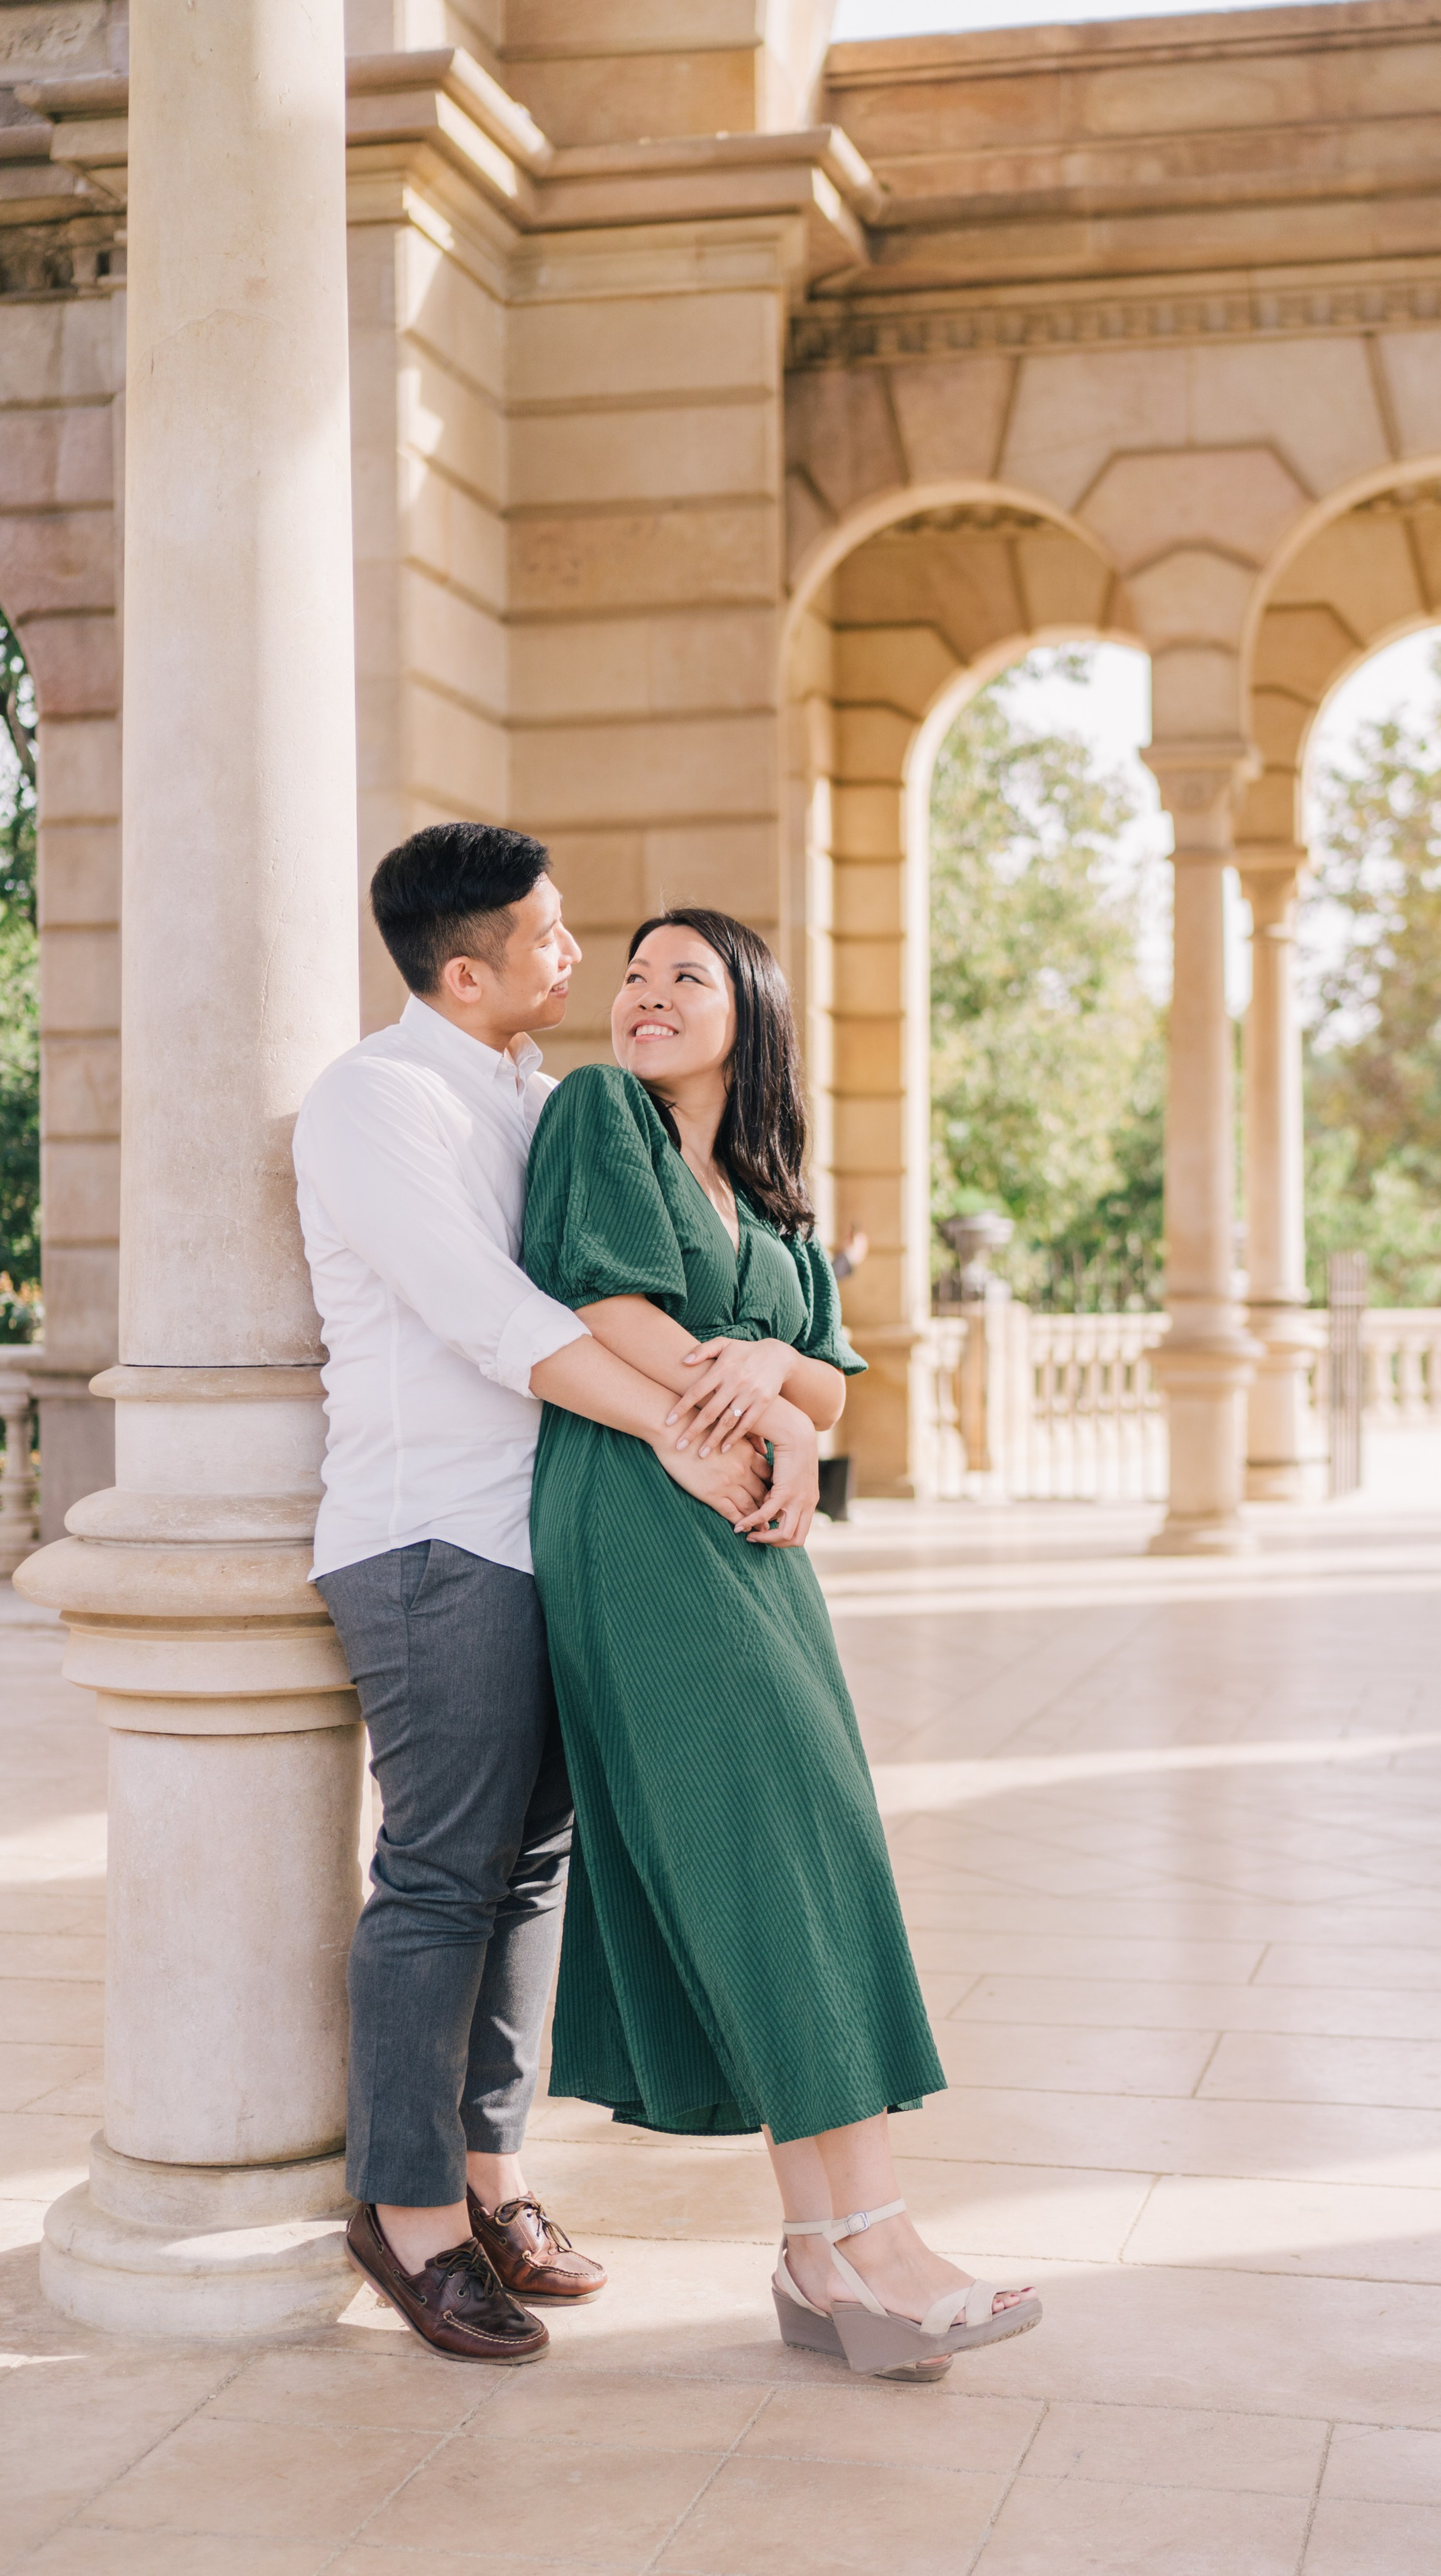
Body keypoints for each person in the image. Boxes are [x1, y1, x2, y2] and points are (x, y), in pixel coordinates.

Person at [520, 907, 1042, 2379]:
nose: (643, 994)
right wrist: (757, 1398)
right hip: (636, 1509)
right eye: (633, 974)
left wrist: (780, 1383)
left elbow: (832, 1385)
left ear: (749, 1010)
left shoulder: (766, 1188)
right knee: (772, 1849)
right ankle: (876, 2238)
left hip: (755, 1541)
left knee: (810, 1843)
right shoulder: (601, 1113)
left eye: (684, 976)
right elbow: (600, 1295)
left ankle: (821, 2257)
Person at [294, 826, 767, 2367]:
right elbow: (483, 1312)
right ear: (462, 971)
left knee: (531, 1870)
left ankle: (494, 2182)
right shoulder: (376, 1099)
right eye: (550, 936)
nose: (577, 956)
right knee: (442, 1876)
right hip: (430, 1536)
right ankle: (408, 2214)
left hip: (555, 1530)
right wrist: (683, 1435)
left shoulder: (547, 1100)